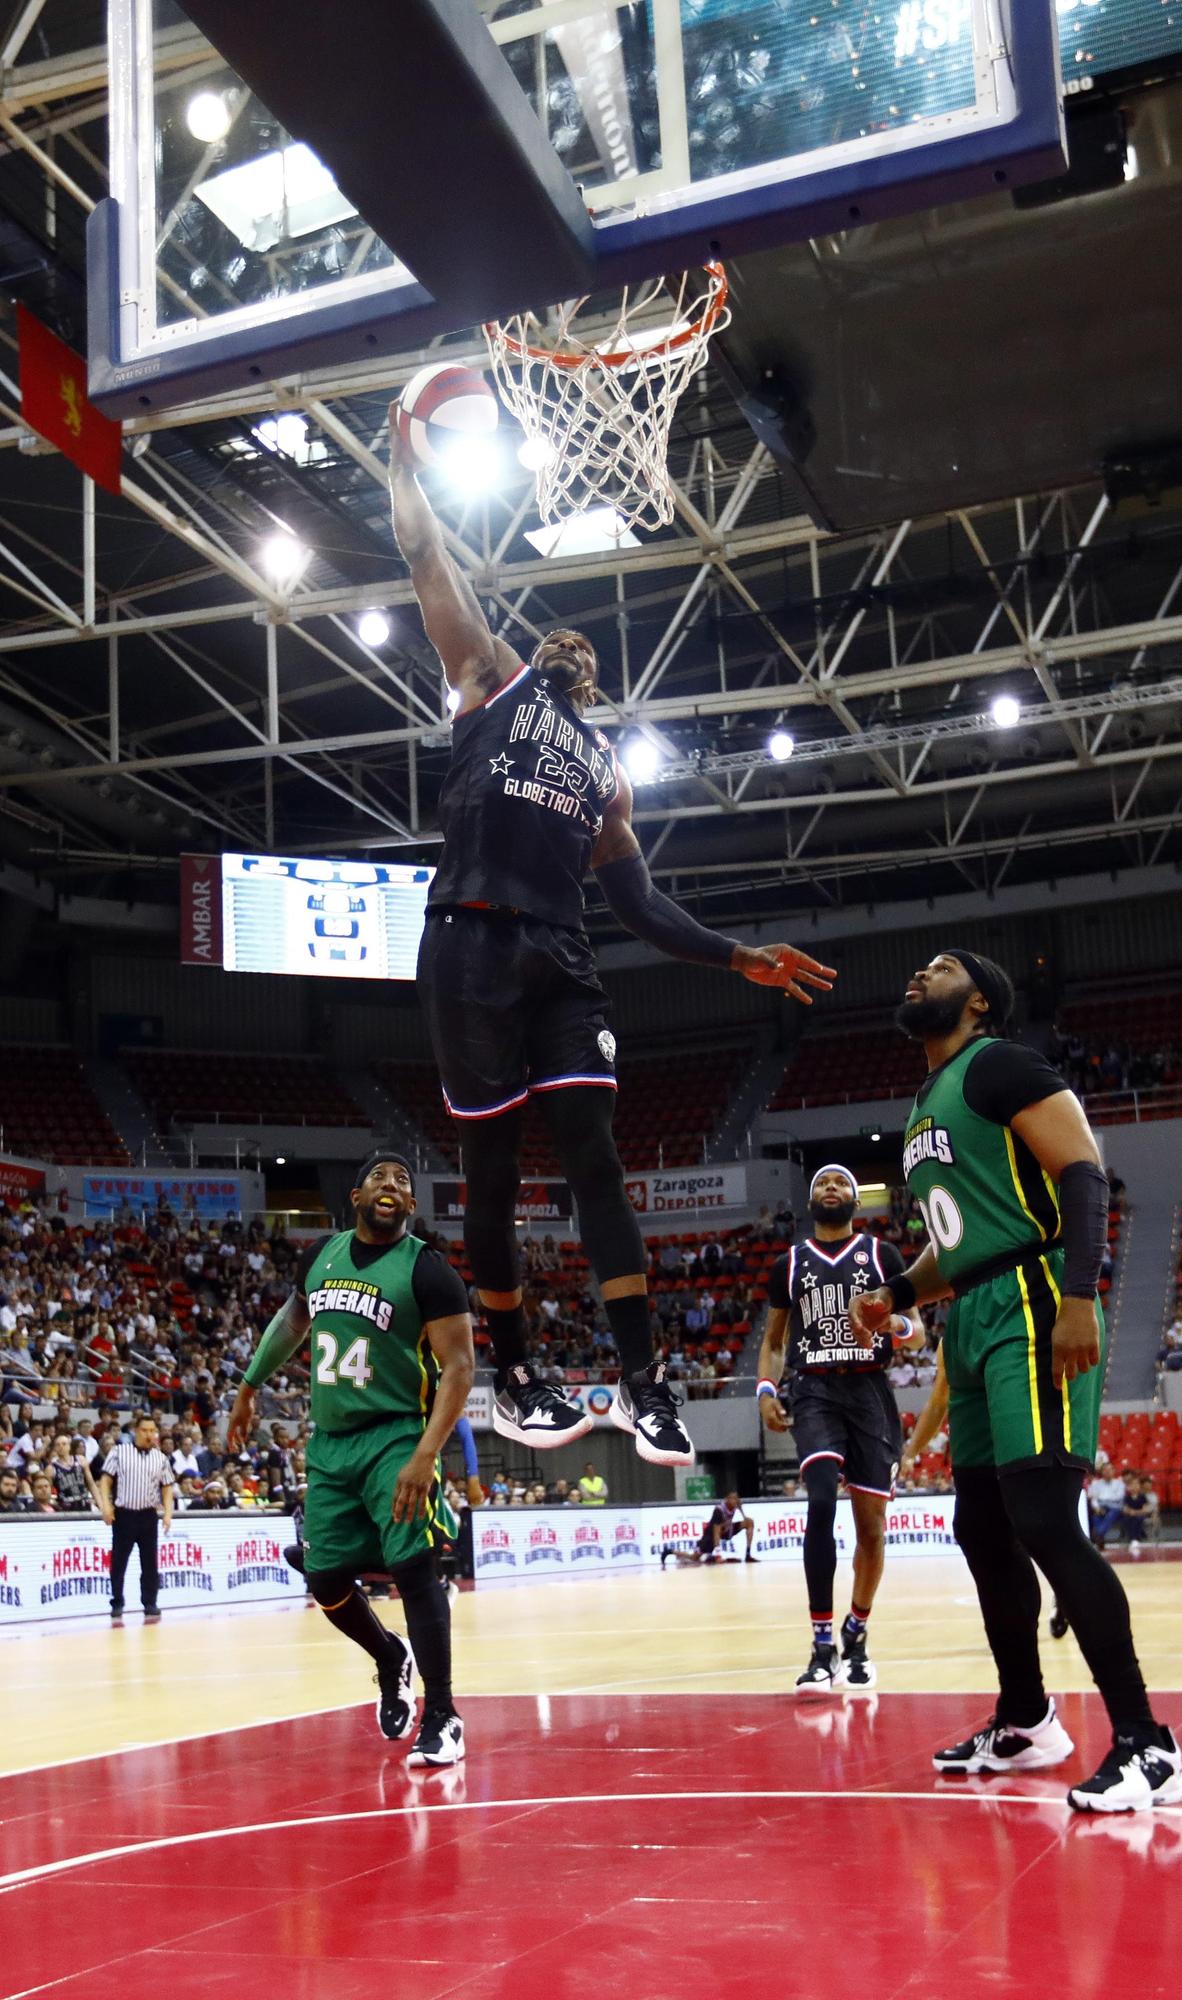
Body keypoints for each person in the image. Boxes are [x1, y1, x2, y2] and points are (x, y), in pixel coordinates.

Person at [388, 412, 835, 1471]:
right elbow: (423, 551)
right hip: (469, 948)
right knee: (489, 1177)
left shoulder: (607, 773)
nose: (574, 648)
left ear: (601, 686)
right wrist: (404, 463)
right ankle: (520, 1378)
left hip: (562, 962)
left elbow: (641, 908)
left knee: (598, 1164)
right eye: (562, 640)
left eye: (588, 650)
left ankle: (647, 1388)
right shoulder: (490, 678)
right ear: (538, 655)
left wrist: (738, 954)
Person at [852, 949, 1182, 1814]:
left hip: (1035, 1297)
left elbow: (1081, 1169)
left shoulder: (999, 1062)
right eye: (915, 967)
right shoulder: (925, 1100)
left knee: (1040, 1517)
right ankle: (1027, 1718)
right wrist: (894, 1292)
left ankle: (1148, 1744)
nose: (917, 974)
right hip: (971, 1310)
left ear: (981, 1000)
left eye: (940, 968)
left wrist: (1081, 1291)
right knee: (981, 1529)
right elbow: (957, 1244)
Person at [227, 1150, 475, 1769]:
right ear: (357, 1197)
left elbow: (461, 1369)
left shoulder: (429, 1271)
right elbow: (292, 1323)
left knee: (415, 1566)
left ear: (411, 1206)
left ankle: (443, 1714)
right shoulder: (320, 1257)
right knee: (325, 1579)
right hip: (331, 1443)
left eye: (402, 1181)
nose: (391, 1184)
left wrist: (426, 1454)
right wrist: (250, 1386)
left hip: (395, 1432)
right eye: (378, 1178)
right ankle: (390, 1657)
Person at [756, 1165, 923, 1694]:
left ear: (856, 1199)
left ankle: (857, 1632)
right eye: (821, 1184)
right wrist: (764, 1389)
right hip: (815, 1392)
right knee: (822, 1501)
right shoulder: (789, 1264)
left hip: (870, 1393)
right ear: (811, 1202)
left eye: (841, 1183)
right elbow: (775, 1341)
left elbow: (916, 1335)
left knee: (871, 1527)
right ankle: (821, 1645)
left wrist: (889, 1321)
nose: (831, 1188)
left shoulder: (883, 1257)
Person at [99, 1414, 176, 1623]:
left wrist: (168, 1513)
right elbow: (105, 1480)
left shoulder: (160, 1457)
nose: (149, 1434)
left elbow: (167, 1487)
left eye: (153, 1431)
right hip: (124, 1514)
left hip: (148, 1515)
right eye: (145, 1430)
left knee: (150, 1563)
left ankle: (150, 1603)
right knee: (119, 1562)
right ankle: (117, 1602)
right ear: (136, 1431)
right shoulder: (119, 1451)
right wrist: (106, 1505)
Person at [661, 1492, 757, 1566]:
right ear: (727, 1500)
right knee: (694, 1557)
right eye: (733, 1499)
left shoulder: (735, 1504)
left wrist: (744, 1515)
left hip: (727, 1530)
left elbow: (739, 1505)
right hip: (710, 1536)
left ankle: (748, 1554)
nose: (736, 1501)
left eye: (737, 1499)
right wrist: (719, 1555)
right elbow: (716, 1533)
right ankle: (670, 1551)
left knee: (749, 1522)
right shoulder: (719, 1511)